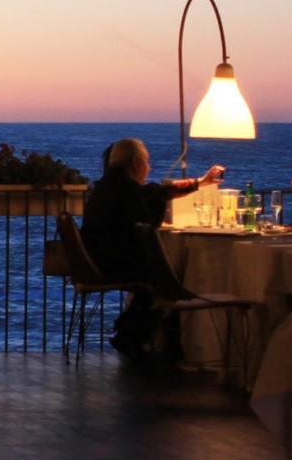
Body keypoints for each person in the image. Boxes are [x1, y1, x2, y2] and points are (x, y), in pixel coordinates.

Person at [81, 138, 224, 358]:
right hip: (114, 263)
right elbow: (147, 223)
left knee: (155, 282)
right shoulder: (128, 190)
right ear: (136, 163)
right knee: (162, 279)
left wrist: (200, 182)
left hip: (95, 260)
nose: (149, 168)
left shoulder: (105, 186)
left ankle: (134, 335)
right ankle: (143, 339)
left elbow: (156, 191)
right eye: (147, 163)